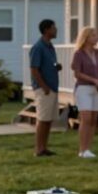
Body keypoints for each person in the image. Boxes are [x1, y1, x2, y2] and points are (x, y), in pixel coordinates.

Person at [71, 26, 98, 159]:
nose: (96, 37)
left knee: (94, 119)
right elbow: (77, 73)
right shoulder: (78, 54)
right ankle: (82, 149)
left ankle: (89, 148)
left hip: (97, 89)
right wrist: (93, 80)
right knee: (86, 118)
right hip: (84, 88)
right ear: (86, 38)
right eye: (93, 35)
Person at [28, 19, 60, 157]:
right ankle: (38, 149)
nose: (56, 30)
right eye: (53, 28)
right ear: (46, 30)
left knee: (48, 119)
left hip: (52, 87)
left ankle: (44, 147)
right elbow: (34, 69)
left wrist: (56, 67)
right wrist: (44, 87)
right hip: (44, 89)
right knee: (42, 119)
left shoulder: (50, 47)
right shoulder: (38, 47)